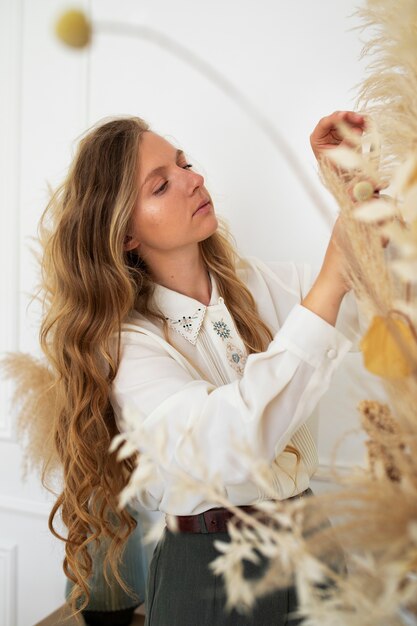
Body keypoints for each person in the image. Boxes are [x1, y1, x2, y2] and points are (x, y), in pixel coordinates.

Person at [34, 110, 366, 626]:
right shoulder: (125, 346)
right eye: (162, 184)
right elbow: (232, 444)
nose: (194, 179)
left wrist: (355, 187)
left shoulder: (265, 286)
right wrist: (331, 280)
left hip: (313, 542)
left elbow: (385, 294)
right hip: (209, 570)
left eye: (184, 163)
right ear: (125, 234)